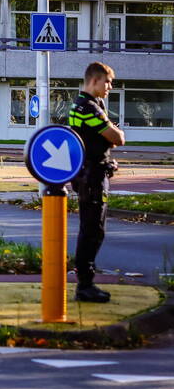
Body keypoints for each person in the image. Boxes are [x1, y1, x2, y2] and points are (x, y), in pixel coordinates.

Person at [68, 62, 125, 303]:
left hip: (91, 174)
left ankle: (86, 282)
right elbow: (117, 137)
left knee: (92, 230)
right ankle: (85, 286)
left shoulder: (88, 105)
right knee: (92, 231)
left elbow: (107, 138)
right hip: (91, 177)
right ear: (94, 81)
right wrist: (112, 133)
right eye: (107, 82)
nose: (110, 87)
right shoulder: (88, 107)